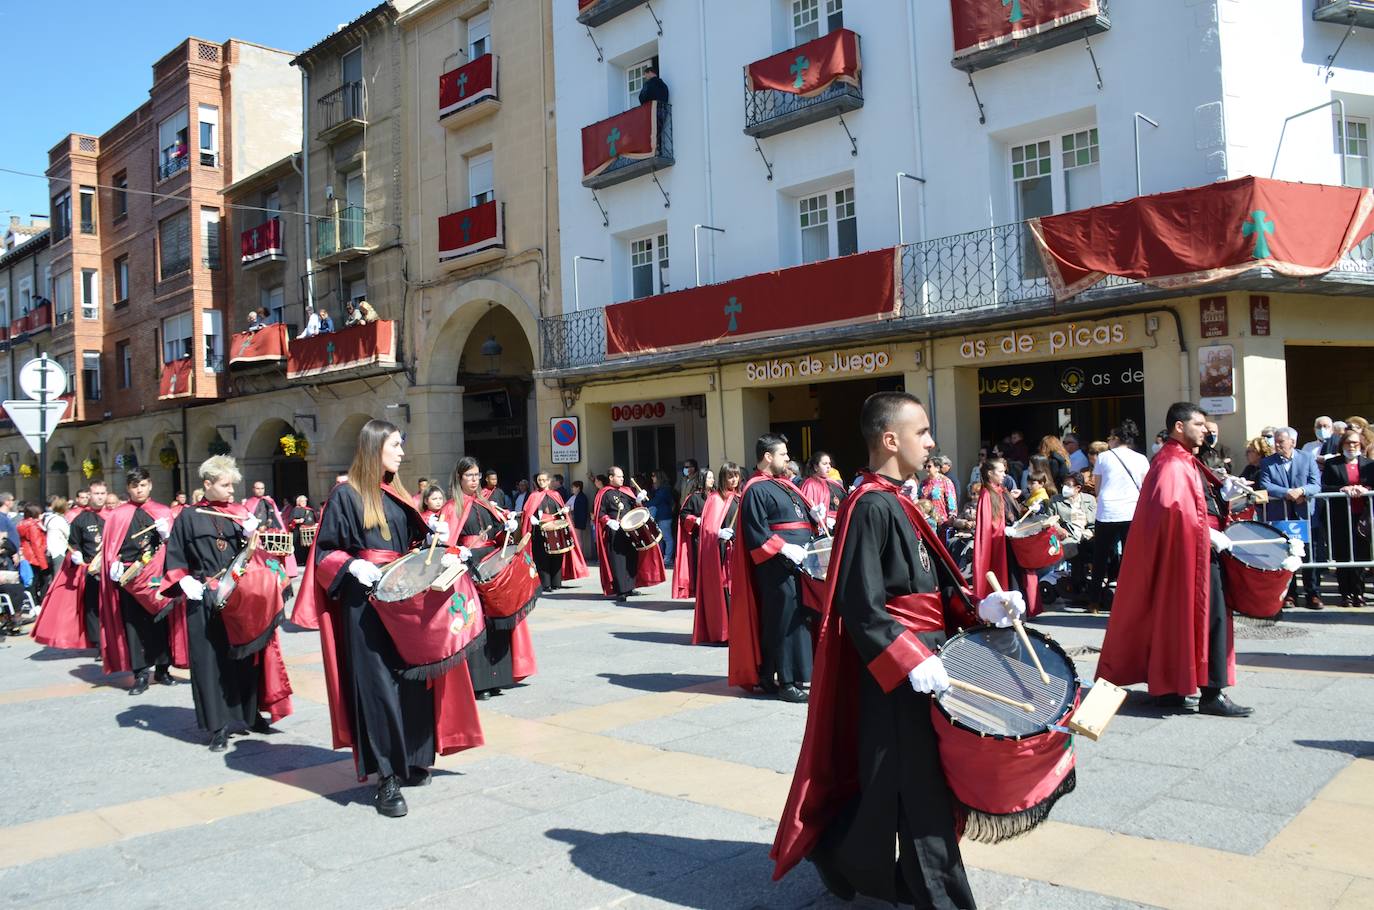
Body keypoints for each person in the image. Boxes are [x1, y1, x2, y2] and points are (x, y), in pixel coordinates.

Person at [771, 391, 1019, 906]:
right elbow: (860, 604)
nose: (931, 442)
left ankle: (841, 852)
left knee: (895, 784)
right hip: (899, 670)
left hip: (928, 659)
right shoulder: (870, 505)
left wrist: (982, 608)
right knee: (919, 787)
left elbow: (934, 586)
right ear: (890, 439)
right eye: (922, 431)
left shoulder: (901, 499)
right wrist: (909, 658)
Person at [292, 420, 483, 817]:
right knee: (377, 688)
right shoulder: (346, 495)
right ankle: (386, 778)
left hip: (404, 602)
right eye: (395, 445)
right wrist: (352, 566)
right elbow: (325, 552)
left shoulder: (396, 495)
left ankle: (412, 759)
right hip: (365, 606)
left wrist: (436, 539)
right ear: (375, 446)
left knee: (412, 681)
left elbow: (413, 548)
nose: (401, 452)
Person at [1097, 402, 1254, 717]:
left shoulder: (1180, 459)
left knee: (1174, 618)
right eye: (1198, 423)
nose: (1205, 429)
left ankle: (1169, 689)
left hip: (1186, 553)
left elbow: (1187, 503)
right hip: (1192, 555)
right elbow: (1173, 512)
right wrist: (1208, 534)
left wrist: (1223, 494)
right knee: (1211, 619)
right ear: (1179, 427)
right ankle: (1211, 692)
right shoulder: (1172, 462)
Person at [162, 456, 294, 751]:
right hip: (203, 594)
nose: (232, 491)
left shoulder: (239, 513)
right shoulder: (188, 516)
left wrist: (251, 535)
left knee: (246, 654)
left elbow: (254, 556)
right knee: (209, 661)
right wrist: (184, 581)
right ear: (207, 484)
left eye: (232, 485)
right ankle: (218, 725)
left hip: (238, 594)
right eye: (225, 485)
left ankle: (250, 714)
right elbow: (175, 556)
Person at [728, 434, 818, 703]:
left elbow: (800, 519)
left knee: (792, 619)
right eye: (783, 454)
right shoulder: (756, 488)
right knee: (784, 622)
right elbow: (756, 531)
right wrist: (783, 548)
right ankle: (787, 682)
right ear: (768, 456)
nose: (788, 458)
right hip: (778, 566)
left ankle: (768, 673)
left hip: (800, 563)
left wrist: (815, 518)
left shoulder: (786, 486)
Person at [444, 456, 536, 700]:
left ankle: (499, 678)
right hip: (469, 569)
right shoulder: (452, 507)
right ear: (459, 478)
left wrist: (505, 529)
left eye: (476, 475)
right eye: (469, 476)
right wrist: (459, 552)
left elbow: (497, 535)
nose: (474, 480)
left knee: (497, 622)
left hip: (492, 568)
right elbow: (445, 544)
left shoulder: (486, 504)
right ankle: (480, 682)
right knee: (478, 625)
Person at [98, 468, 181, 694]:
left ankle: (163, 668)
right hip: (130, 579)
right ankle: (141, 673)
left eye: (142, 485)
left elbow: (176, 548)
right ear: (128, 488)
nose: (139, 490)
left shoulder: (163, 512)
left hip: (157, 578)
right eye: (134, 486)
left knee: (161, 622)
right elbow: (111, 546)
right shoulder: (118, 514)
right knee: (134, 626)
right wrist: (112, 563)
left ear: (150, 485)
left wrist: (167, 536)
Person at [32, 483, 108, 650]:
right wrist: (76, 554)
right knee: (93, 607)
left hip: (111, 569)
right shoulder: (81, 519)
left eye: (103, 493)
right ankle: (98, 643)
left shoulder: (113, 516)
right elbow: (74, 542)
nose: (100, 497)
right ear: (89, 495)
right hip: (91, 569)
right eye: (96, 493)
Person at [1258, 426, 1323, 609]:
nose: (1276, 445)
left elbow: (1315, 484)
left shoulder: (1307, 458)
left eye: (1281, 441)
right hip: (1281, 515)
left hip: (1305, 515)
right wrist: (1287, 493)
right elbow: (1265, 484)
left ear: (1292, 442)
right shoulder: (1267, 462)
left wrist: (1301, 491)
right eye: (1275, 441)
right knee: (1286, 555)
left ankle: (1313, 593)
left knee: (1310, 555)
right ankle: (1290, 594)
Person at [1088, 421, 1149, 611]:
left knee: (1100, 556)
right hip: (1131, 510)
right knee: (1132, 557)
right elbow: (1145, 487)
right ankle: (1132, 599)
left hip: (1107, 510)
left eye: (1110, 437)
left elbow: (1097, 487)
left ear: (1116, 439)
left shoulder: (1103, 457)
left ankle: (1094, 601)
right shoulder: (1140, 458)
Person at [973, 455, 1038, 616]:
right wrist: (1003, 529)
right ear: (990, 473)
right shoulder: (987, 494)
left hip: (1009, 540)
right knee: (1010, 578)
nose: (1004, 475)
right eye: (1000, 471)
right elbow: (989, 524)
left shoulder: (1001, 490)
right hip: (1000, 542)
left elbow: (1009, 513)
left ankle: (1019, 611)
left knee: (1016, 577)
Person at [592, 466, 664, 604]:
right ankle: (621, 590)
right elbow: (599, 513)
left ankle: (630, 587)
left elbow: (635, 509)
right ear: (611, 477)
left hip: (630, 529)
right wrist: (609, 522)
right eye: (619, 476)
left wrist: (638, 500)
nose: (622, 479)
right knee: (618, 561)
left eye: (623, 476)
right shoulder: (604, 493)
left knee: (631, 558)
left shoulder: (627, 491)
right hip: (615, 529)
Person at [1321, 428, 1374, 606]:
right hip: (1340, 517)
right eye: (1348, 443)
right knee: (1343, 555)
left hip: (1362, 517)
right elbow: (1324, 486)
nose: (1352, 446)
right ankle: (1345, 593)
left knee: (1360, 555)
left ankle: (1359, 592)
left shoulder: (1369, 464)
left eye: (1355, 443)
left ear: (1361, 445)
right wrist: (1341, 489)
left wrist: (1365, 490)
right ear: (1342, 444)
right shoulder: (1333, 464)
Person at [693, 465, 740, 645]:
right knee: (725, 590)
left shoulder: (738, 497)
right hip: (722, 553)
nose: (734, 480)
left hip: (736, 551)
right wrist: (718, 533)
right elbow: (708, 527)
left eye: (736, 476)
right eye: (730, 477)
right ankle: (725, 631)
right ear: (723, 478)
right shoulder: (715, 498)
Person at [523, 471, 589, 592]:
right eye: (539, 480)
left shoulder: (555, 494)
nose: (541, 482)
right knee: (542, 557)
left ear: (549, 481)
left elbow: (561, 511)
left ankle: (556, 582)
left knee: (557, 555)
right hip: (539, 529)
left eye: (543, 480)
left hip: (555, 528)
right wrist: (531, 518)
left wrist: (564, 511)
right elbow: (527, 512)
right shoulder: (533, 496)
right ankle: (546, 583)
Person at [1050, 471, 1096, 600]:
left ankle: (1095, 584)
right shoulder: (1055, 501)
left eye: (1069, 485)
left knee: (1095, 547)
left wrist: (1090, 532)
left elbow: (1094, 522)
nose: (1065, 487)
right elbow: (1051, 520)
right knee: (1075, 548)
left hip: (1086, 535)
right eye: (1064, 484)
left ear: (1078, 488)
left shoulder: (1089, 500)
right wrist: (1059, 529)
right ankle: (1078, 586)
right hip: (1067, 536)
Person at [672, 472, 709, 600]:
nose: (712, 480)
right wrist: (695, 519)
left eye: (712, 477)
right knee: (700, 566)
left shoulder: (715, 496)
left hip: (714, 537)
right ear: (702, 479)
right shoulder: (694, 498)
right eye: (709, 477)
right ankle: (701, 595)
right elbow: (683, 515)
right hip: (699, 538)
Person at [799, 452, 845, 531]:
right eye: (824, 464)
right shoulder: (810, 484)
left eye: (829, 464)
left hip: (840, 523)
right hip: (825, 527)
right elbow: (808, 509)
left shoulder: (833, 482)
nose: (828, 466)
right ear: (816, 467)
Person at [19, 503, 50, 599]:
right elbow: (37, 545)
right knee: (39, 580)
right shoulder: (33, 526)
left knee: (30, 580)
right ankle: (37, 602)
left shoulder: (23, 523)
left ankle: (31, 600)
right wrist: (44, 564)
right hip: (34, 557)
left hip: (27, 555)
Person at [917, 457, 957, 527]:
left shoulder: (945, 481)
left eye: (929, 466)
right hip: (925, 520)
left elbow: (951, 500)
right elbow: (919, 499)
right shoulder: (923, 483)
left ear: (937, 468)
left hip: (940, 521)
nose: (926, 469)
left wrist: (952, 516)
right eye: (925, 466)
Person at [288, 494, 318, 570]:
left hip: (310, 531)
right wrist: (298, 521)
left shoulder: (310, 510)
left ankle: (308, 560)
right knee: (299, 547)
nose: (304, 502)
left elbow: (314, 519)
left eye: (305, 501)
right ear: (298, 502)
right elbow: (291, 521)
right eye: (302, 501)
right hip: (299, 532)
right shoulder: (296, 509)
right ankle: (300, 561)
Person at [569, 480, 590, 564]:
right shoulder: (575, 496)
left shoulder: (581, 497)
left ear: (578, 487)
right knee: (575, 539)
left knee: (578, 539)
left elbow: (580, 511)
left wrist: (575, 521)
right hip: (574, 520)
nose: (572, 489)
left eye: (573, 487)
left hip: (577, 520)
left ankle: (580, 557)